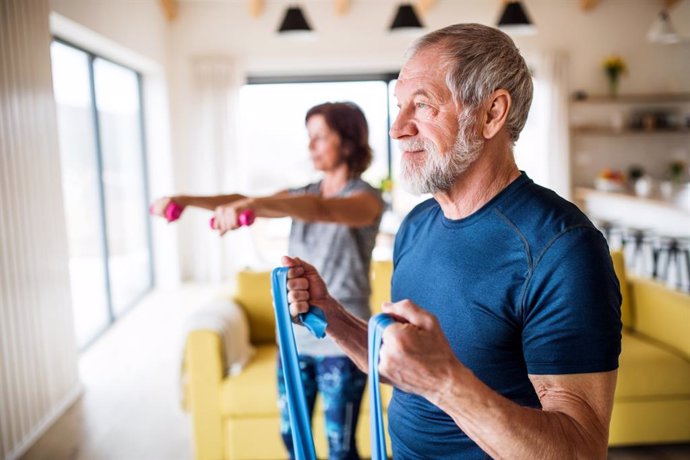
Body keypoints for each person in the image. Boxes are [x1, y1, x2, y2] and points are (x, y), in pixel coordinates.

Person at [283, 24, 622, 460]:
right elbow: (407, 369)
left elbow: (581, 450)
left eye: (422, 105)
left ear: (491, 114)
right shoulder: (417, 224)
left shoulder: (562, 249)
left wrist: (446, 382)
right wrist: (333, 317)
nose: (397, 129)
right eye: (399, 105)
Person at [151, 101, 384, 460]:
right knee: (292, 440)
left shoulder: (365, 198)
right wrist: (188, 201)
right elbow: (246, 200)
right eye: (310, 138)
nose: (311, 147)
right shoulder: (301, 194)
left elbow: (320, 209)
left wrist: (255, 208)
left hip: (343, 341)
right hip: (293, 340)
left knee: (340, 448)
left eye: (320, 137)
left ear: (348, 142)